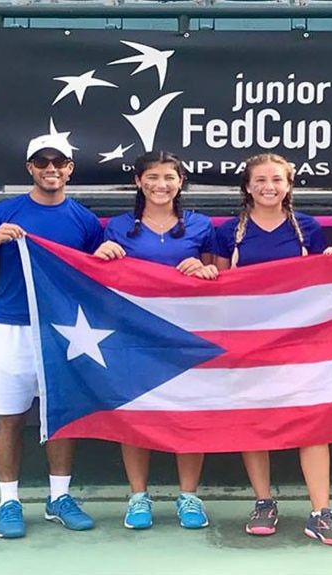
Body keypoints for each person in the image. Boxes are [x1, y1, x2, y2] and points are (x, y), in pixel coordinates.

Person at [0, 133, 104, 539]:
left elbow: (99, 275)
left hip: (65, 332)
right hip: (12, 327)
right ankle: (9, 502)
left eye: (59, 163)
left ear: (70, 169)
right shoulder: (3, 214)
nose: (51, 169)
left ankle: (59, 498)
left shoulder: (84, 221)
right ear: (30, 169)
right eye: (42, 163)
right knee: (10, 417)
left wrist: (110, 256)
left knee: (61, 418)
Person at [213, 153, 332, 547]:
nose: (268, 186)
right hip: (248, 342)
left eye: (276, 179)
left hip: (301, 342)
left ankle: (320, 512)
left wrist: (331, 261)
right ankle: (263, 502)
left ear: (289, 185)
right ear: (247, 186)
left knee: (312, 423)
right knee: (254, 421)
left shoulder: (306, 228)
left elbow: (326, 281)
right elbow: (220, 287)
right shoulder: (229, 232)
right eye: (260, 180)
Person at [92, 151, 218, 530]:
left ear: (181, 183)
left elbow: (220, 277)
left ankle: (189, 496)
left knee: (189, 412)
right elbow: (95, 283)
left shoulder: (201, 225)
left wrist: (205, 268)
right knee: (136, 414)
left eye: (169, 177)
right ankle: (137, 496)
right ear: (138, 182)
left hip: (187, 335)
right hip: (134, 336)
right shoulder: (116, 227)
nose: (160, 185)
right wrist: (99, 257)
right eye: (152, 177)